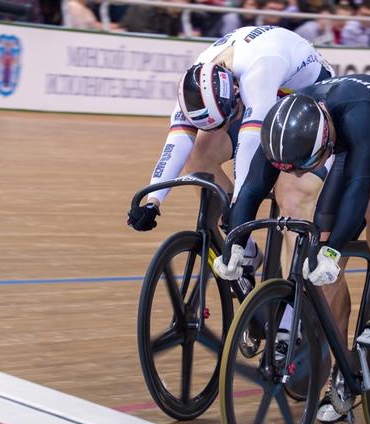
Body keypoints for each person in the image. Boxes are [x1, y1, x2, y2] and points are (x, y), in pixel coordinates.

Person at [221, 74, 370, 424]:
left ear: (323, 140)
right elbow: (250, 189)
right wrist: (236, 241)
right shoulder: (281, 123)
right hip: (349, 145)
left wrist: (335, 252)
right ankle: (344, 371)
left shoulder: (356, 113)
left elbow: (357, 182)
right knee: (317, 251)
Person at [127, 26, 334, 286]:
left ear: (235, 92)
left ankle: (291, 310)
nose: (223, 130)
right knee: (199, 157)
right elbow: (177, 143)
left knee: (290, 190)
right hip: (261, 95)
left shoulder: (259, 72)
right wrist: (152, 201)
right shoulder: (198, 81)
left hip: (309, 94)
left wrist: (239, 209)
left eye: (225, 120)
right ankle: (248, 252)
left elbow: (248, 146)